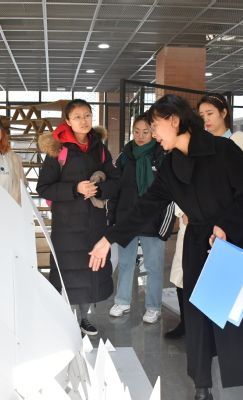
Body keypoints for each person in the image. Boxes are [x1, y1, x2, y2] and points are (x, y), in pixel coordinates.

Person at [89, 95, 243, 400]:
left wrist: (226, 226)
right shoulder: (170, 164)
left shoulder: (223, 149)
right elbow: (146, 206)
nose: (153, 133)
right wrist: (108, 238)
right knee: (200, 322)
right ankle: (202, 389)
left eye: (155, 125)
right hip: (198, 246)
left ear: (174, 120)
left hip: (234, 243)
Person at [164, 93, 243, 340]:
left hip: (226, 227)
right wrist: (183, 211)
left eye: (210, 113)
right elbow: (181, 187)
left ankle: (221, 337)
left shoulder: (235, 147)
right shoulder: (192, 147)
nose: (206, 119)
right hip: (194, 224)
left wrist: (225, 222)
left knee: (223, 285)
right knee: (185, 275)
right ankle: (190, 324)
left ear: (224, 113)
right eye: (201, 115)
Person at [37, 99, 120, 336]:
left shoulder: (99, 147)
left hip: (94, 224)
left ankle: (83, 318)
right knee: (69, 273)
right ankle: (68, 319)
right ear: (68, 121)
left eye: (87, 115)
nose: (83, 121)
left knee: (89, 272)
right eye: (77, 117)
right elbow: (44, 188)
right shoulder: (58, 149)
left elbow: (116, 181)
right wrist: (75, 189)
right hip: (67, 226)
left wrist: (99, 189)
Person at [107, 113, 174, 324]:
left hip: (152, 221)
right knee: (125, 264)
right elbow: (116, 190)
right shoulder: (125, 156)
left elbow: (170, 193)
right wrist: (112, 219)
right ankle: (122, 301)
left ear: (153, 132)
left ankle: (153, 307)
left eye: (145, 131)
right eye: (136, 132)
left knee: (154, 267)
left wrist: (165, 225)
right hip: (126, 219)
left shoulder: (162, 155)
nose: (141, 136)